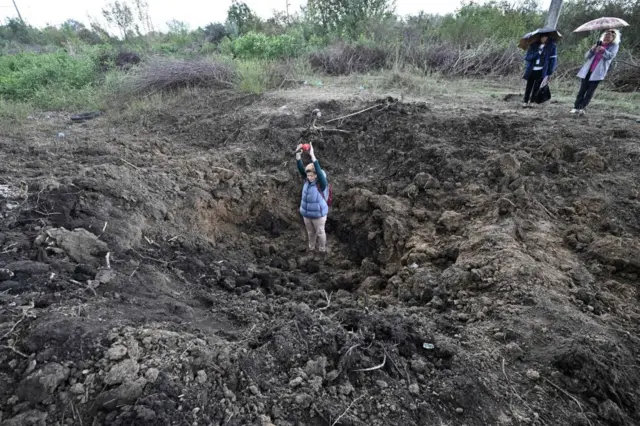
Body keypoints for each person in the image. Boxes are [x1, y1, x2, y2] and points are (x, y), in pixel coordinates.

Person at [571, 29, 620, 116]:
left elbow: (610, 56)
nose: (607, 37)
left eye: (610, 36)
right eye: (606, 35)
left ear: (613, 38)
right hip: (588, 70)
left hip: (598, 72)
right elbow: (587, 56)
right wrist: (592, 49)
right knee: (582, 90)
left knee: (590, 92)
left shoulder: (614, 46)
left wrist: (603, 50)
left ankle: (582, 108)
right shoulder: (598, 43)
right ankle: (576, 107)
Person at [295, 143, 329, 256]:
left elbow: (318, 171)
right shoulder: (306, 180)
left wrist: (312, 155)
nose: (309, 177)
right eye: (308, 175)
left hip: (319, 215)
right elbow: (301, 169)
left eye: (312, 175)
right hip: (307, 214)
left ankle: (322, 250)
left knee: (320, 232)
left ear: (316, 175)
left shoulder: (321, 184)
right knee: (310, 233)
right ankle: (311, 249)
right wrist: (298, 155)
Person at [522, 33, 558, 108]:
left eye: (545, 37)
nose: (544, 38)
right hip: (532, 69)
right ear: (540, 37)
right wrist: (537, 52)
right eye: (542, 37)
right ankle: (525, 101)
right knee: (529, 86)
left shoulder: (552, 47)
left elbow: (552, 60)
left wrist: (550, 72)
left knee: (537, 87)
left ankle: (532, 101)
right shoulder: (533, 45)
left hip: (542, 70)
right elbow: (528, 57)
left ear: (547, 38)